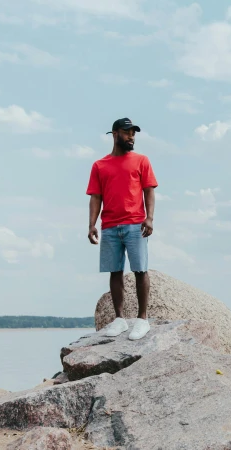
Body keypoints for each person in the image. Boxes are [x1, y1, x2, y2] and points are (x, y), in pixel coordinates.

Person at [86, 117, 158, 340]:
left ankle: (142, 319)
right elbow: (96, 197)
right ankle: (119, 320)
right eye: (127, 132)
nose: (131, 137)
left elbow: (149, 191)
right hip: (109, 226)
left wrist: (149, 218)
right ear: (115, 134)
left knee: (140, 270)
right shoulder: (100, 165)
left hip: (135, 224)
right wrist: (91, 224)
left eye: (134, 133)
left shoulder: (141, 161)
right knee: (114, 271)